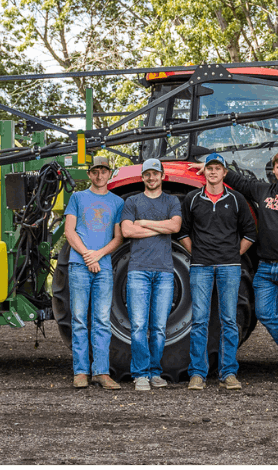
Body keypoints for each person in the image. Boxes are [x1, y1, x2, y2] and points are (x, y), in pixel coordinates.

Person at [189, 151, 278, 386]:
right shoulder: (264, 191)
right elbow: (239, 181)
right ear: (273, 171)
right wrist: (212, 166)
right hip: (266, 267)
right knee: (265, 313)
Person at [178, 153, 256, 391]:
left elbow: (250, 233)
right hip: (201, 267)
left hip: (229, 268)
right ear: (205, 172)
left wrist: (234, 255)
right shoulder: (192, 199)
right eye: (209, 168)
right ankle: (197, 374)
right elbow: (183, 232)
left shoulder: (236, 199)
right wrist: (198, 254)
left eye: (217, 168)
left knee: (229, 321)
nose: (213, 172)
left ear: (224, 172)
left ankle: (228, 372)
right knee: (200, 320)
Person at [120, 158, 182, 391]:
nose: (151, 177)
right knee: (138, 325)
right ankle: (140, 374)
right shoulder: (132, 201)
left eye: (155, 173)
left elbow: (175, 227)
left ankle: (155, 372)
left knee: (158, 327)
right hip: (138, 271)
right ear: (142, 177)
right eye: (147, 174)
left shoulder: (172, 201)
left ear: (162, 176)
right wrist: (160, 227)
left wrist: (144, 223)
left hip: (165, 272)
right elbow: (127, 230)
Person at [64, 156, 124, 390]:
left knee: (101, 320)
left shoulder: (117, 202)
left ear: (110, 174)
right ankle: (80, 372)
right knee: (80, 320)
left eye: (104, 171)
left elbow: (118, 237)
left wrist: (97, 256)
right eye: (95, 171)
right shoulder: (78, 198)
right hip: (79, 266)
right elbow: (70, 232)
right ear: (89, 174)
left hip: (104, 267)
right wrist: (87, 255)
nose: (99, 176)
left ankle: (101, 371)